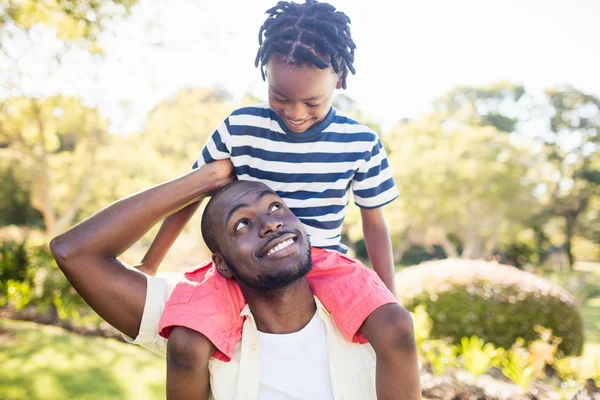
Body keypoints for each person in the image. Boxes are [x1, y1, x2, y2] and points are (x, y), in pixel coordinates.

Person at [138, 1, 407, 397]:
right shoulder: (240, 127)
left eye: (312, 102)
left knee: (397, 329)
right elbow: (190, 196)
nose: (295, 113)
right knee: (186, 344)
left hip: (324, 260)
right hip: (247, 265)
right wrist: (150, 262)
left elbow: (374, 222)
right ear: (265, 74)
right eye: (279, 96)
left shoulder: (361, 142)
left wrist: (387, 292)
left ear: (341, 79)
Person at [50, 161, 421, 399]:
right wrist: (206, 178)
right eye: (242, 224)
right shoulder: (197, 315)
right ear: (222, 263)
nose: (271, 223)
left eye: (276, 207)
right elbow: (74, 252)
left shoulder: (367, 317)